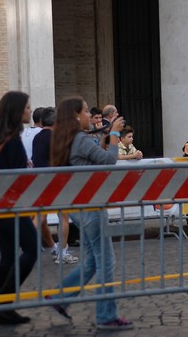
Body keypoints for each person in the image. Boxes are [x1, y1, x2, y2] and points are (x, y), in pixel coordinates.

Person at [47, 96, 133, 331]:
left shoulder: (64, 139)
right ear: (76, 116)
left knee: (95, 260)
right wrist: (114, 135)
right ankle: (106, 315)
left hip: (77, 205)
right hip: (90, 205)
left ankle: (60, 298)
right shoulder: (80, 139)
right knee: (107, 261)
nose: (89, 115)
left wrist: (104, 139)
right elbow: (108, 162)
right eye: (85, 111)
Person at [0, 91, 37, 325]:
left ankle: (4, 308)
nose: (30, 110)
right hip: (10, 206)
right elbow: (16, 176)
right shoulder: (12, 139)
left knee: (8, 256)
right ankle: (3, 303)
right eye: (27, 107)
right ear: (17, 111)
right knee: (32, 250)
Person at [31, 107, 75, 263]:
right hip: (57, 181)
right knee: (63, 216)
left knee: (39, 215)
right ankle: (62, 253)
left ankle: (24, 244)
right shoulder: (58, 138)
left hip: (40, 180)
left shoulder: (37, 137)